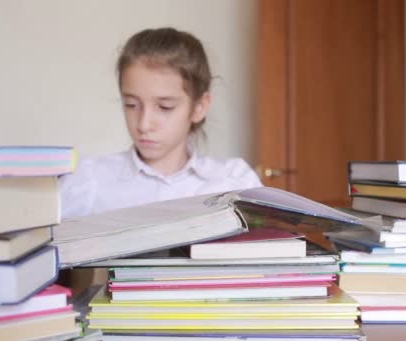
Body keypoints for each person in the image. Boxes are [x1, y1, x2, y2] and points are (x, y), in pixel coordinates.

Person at [60, 27, 262, 219]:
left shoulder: (234, 181)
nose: (144, 124)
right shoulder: (88, 180)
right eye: (131, 105)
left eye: (165, 107)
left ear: (199, 107)